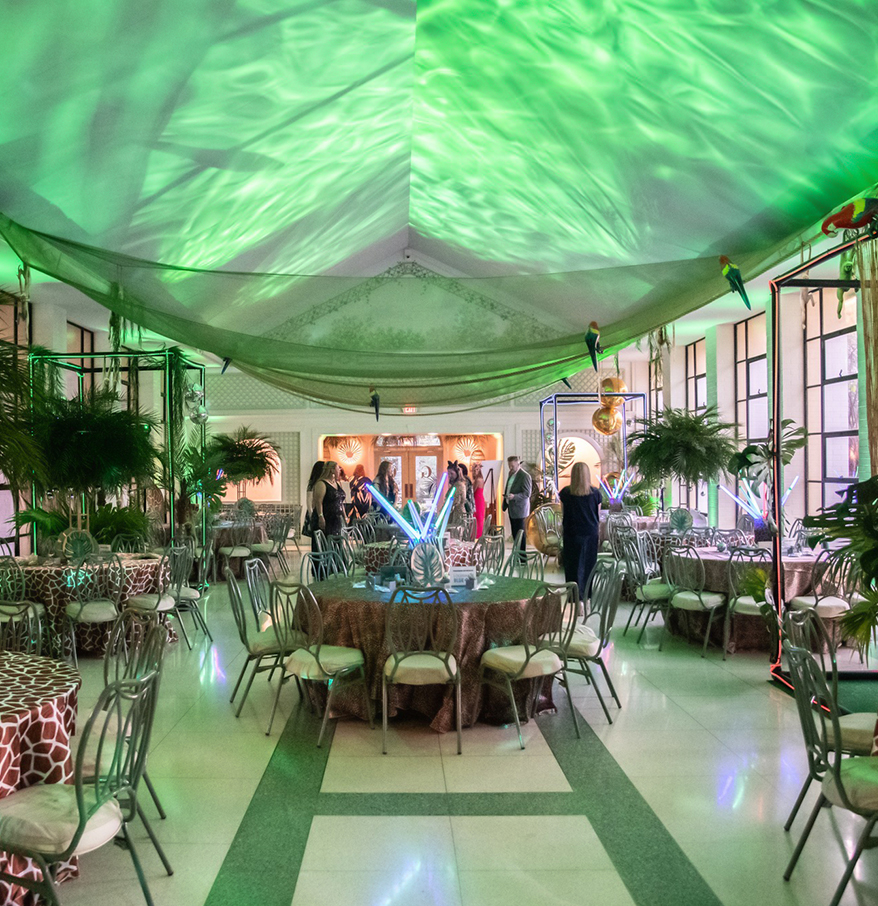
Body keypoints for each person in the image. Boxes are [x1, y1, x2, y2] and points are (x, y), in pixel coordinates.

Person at [559, 461, 601, 601]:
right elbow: (598, 515)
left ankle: (576, 600)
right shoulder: (596, 493)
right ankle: (587, 598)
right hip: (590, 533)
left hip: (572, 533)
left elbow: (563, 513)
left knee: (572, 566)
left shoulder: (565, 493)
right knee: (589, 566)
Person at [503, 455, 532, 552]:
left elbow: (527, 494)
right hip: (511, 508)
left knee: (520, 535)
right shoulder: (511, 473)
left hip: (520, 510)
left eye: (512, 466)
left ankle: (522, 559)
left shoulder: (525, 476)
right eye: (509, 466)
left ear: (518, 464)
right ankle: (516, 556)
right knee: (515, 534)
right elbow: (509, 487)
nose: (511, 468)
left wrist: (514, 497)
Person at [312, 461, 345, 538]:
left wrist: (345, 516)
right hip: (326, 517)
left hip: (336, 519)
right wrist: (321, 516)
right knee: (326, 541)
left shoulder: (337, 483)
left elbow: (340, 502)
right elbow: (318, 502)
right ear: (332, 470)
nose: (339, 470)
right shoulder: (321, 483)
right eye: (338, 468)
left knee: (336, 542)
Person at [305, 460, 324, 553]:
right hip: (315, 515)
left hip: (316, 514)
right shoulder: (313, 485)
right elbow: (309, 503)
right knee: (317, 540)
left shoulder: (318, 484)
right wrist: (312, 516)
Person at [445, 461, 468, 529]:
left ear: (457, 473)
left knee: (455, 537)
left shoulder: (459, 485)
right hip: (455, 514)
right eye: (448, 473)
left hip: (458, 515)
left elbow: (454, 501)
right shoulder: (455, 485)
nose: (449, 476)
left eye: (451, 473)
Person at [471, 461, 486, 539]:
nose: (474, 472)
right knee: (479, 517)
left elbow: (473, 490)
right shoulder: (481, 479)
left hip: (477, 500)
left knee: (477, 517)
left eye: (476, 470)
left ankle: (477, 535)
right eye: (473, 470)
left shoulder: (478, 480)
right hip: (479, 499)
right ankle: (478, 535)